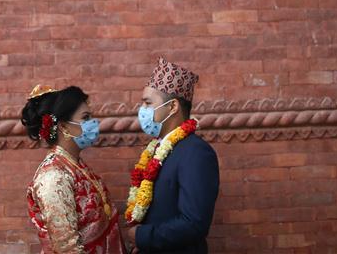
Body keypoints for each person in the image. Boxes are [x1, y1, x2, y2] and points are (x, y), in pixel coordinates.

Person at [123, 59, 220, 253]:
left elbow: (194, 223)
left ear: (173, 107)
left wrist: (142, 236)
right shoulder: (156, 149)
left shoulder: (196, 152)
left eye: (148, 103)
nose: (142, 110)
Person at [22, 84, 126, 253]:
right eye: (86, 117)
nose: (93, 123)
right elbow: (66, 247)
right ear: (63, 127)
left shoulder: (75, 165)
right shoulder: (54, 176)